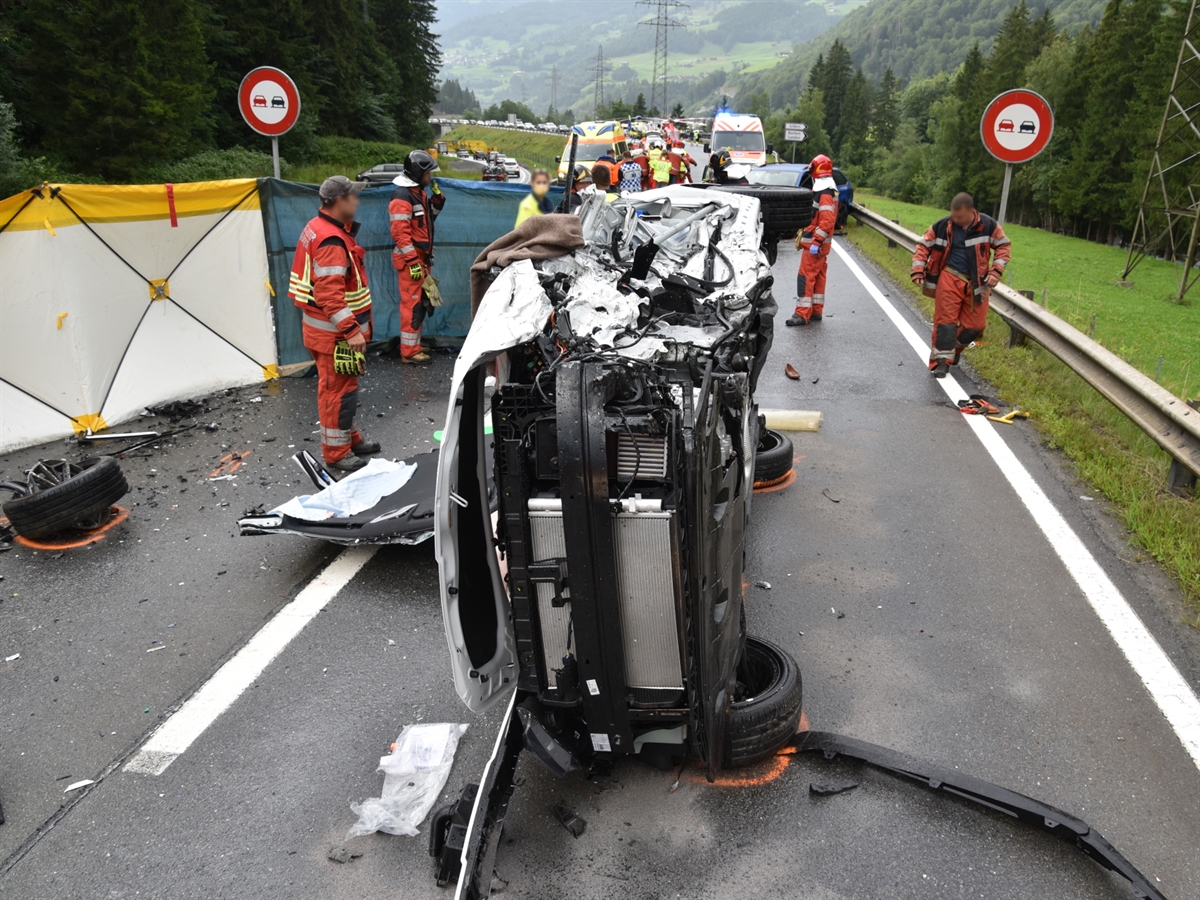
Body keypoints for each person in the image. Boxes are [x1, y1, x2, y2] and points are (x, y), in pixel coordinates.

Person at [287, 176, 379, 472]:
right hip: (335, 336)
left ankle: (348, 439)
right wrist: (352, 331)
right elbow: (329, 295)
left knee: (344, 389)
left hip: (325, 331)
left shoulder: (319, 228)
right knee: (337, 393)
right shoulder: (332, 241)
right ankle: (336, 452)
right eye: (353, 196)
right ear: (340, 201)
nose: (357, 201)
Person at [911, 192, 1011, 377]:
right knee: (945, 323)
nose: (955, 220)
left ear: (971, 212)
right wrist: (918, 269)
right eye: (954, 216)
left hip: (978, 283)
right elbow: (923, 245)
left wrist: (996, 271)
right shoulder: (943, 226)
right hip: (950, 278)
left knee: (975, 326)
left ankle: (954, 350)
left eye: (960, 217)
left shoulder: (988, 225)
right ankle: (941, 362)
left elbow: (1004, 246)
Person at [389, 150, 445, 365]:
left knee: (421, 303)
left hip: (421, 259)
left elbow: (429, 220)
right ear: (417, 173)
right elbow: (400, 234)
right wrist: (413, 262)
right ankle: (409, 352)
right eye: (428, 173)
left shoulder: (418, 193)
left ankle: (413, 345)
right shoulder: (402, 196)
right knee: (411, 305)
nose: (430, 177)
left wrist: (438, 199)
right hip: (411, 261)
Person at [787, 154, 839, 327]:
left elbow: (827, 221)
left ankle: (801, 314)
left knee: (805, 277)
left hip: (814, 246)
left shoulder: (824, 194)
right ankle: (816, 310)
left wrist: (816, 242)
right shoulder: (828, 191)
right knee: (818, 277)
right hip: (819, 246)